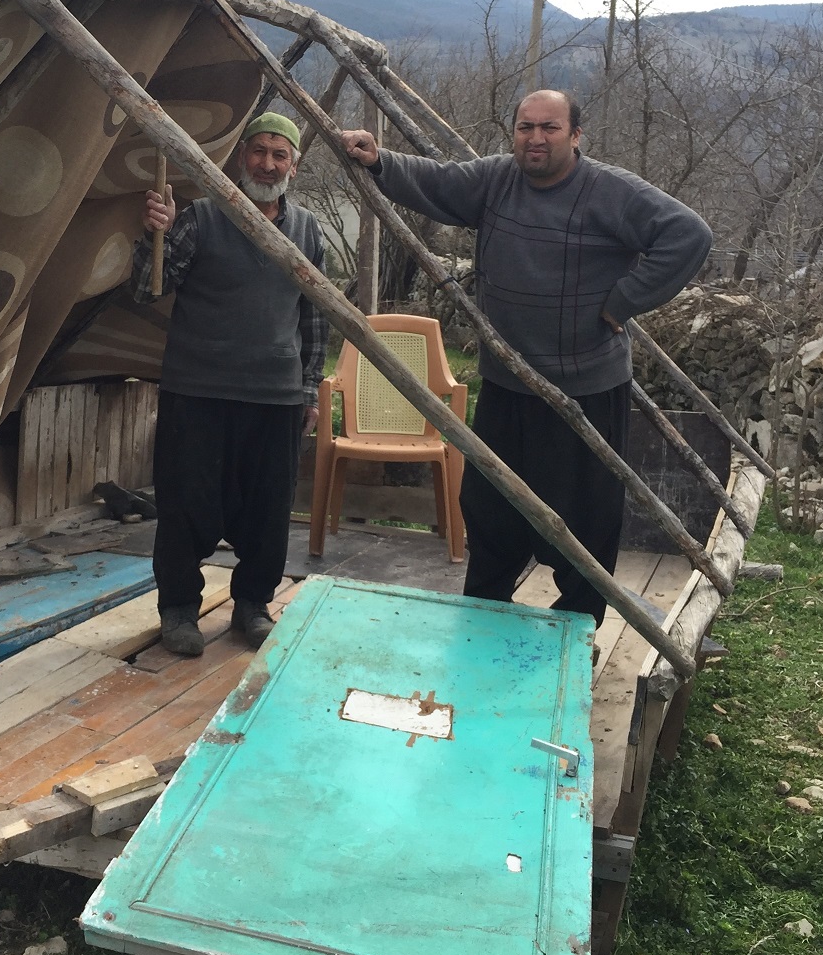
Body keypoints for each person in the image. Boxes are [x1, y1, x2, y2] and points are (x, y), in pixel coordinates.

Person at [340, 90, 712, 622]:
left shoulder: (611, 192)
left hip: (584, 388)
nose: (536, 138)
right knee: (491, 505)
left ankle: (577, 627)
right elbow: (440, 182)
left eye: (550, 128)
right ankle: (485, 616)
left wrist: (623, 302)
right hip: (508, 382)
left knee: (585, 516)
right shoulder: (497, 179)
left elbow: (689, 235)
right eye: (525, 127)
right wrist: (379, 160)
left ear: (576, 136)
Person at [132, 111, 326, 655]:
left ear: (294, 166)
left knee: (268, 509)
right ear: (241, 158)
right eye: (259, 151)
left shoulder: (307, 230)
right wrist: (155, 236)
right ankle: (178, 611)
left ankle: (252, 606)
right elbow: (148, 289)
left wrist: (309, 388)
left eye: (279, 155)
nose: (268, 163)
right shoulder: (201, 217)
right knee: (184, 505)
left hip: (276, 394)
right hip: (198, 389)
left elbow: (314, 315)